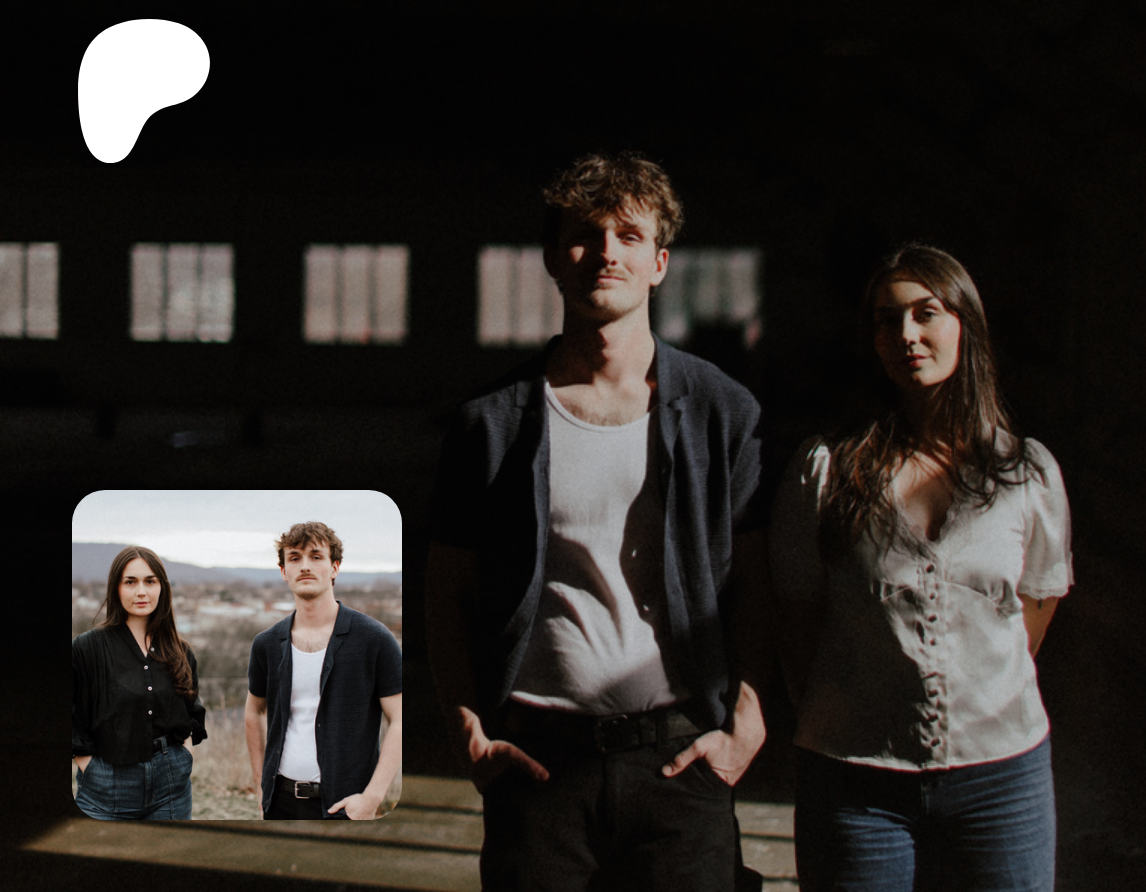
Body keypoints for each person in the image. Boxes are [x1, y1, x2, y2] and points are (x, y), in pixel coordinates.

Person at [426, 151, 768, 892]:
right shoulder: (491, 424)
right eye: (584, 235)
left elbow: (756, 582)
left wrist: (747, 722)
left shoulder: (722, 413)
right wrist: (468, 732)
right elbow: (447, 589)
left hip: (680, 760)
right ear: (554, 258)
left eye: (629, 235)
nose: (606, 252)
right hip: (539, 765)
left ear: (659, 263)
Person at [770, 244, 1073, 892]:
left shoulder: (1026, 473)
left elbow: (1034, 607)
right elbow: (798, 617)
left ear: (965, 323)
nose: (906, 334)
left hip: (1001, 775)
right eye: (887, 320)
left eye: (925, 313)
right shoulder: (827, 469)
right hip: (856, 776)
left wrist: (977, 690)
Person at [245, 521, 402, 820]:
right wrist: (261, 786)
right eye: (295, 558)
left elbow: (400, 718)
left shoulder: (374, 639)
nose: (305, 566)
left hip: (345, 806)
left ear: (334, 568)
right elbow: (254, 711)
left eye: (316, 556)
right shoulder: (266, 643)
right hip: (280, 802)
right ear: (284, 571)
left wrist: (372, 797)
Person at [71, 545, 207, 820]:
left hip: (172, 790)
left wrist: (185, 756)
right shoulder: (87, 649)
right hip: (106, 789)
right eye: (130, 582)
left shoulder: (181, 652)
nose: (141, 591)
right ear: (116, 588)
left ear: (162, 587)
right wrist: (90, 767)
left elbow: (191, 714)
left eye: (150, 581)